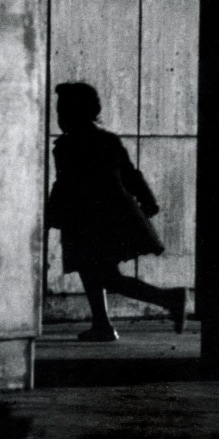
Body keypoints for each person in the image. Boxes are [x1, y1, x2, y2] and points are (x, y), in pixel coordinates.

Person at [47, 82, 187, 342]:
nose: (57, 115)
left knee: (102, 275)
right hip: (112, 216)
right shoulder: (106, 139)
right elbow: (131, 174)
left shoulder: (67, 146)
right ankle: (102, 323)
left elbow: (65, 184)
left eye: (61, 110)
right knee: (94, 271)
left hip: (87, 219)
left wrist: (49, 216)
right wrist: (148, 201)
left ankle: (168, 299)